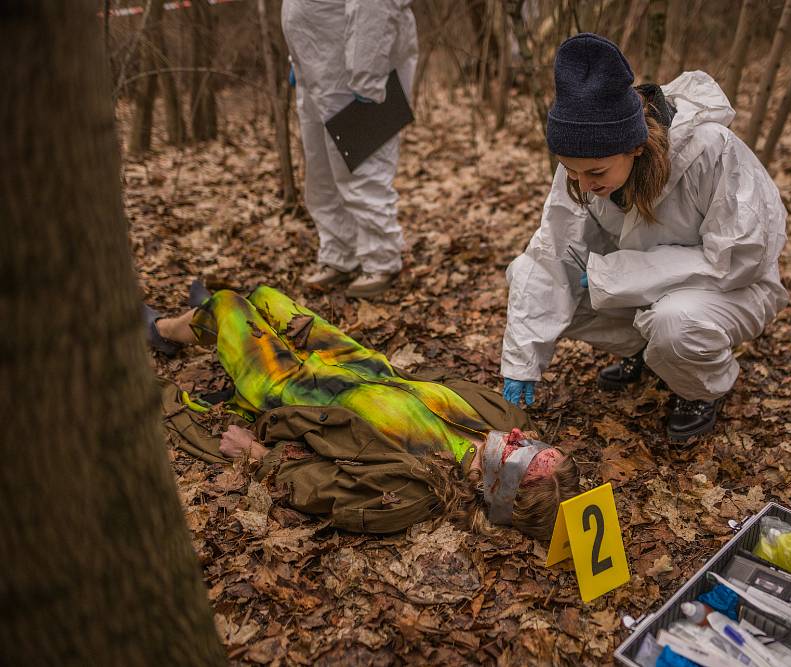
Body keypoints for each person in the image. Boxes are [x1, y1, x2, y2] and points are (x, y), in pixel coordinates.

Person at [501, 34, 788, 443]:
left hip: (733, 288)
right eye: (569, 170)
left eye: (595, 173)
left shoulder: (711, 151)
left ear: (635, 148)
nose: (582, 184)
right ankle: (645, 353)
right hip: (649, 288)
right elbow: (550, 256)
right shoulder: (584, 166)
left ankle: (701, 389)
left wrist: (619, 273)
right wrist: (521, 361)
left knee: (674, 322)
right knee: (528, 276)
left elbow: (740, 257)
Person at [146, 285, 578, 539]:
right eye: (539, 444)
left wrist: (255, 454)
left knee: (227, 303)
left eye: (522, 455)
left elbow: (321, 487)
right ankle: (206, 321)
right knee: (267, 298)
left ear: (500, 489)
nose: (522, 437)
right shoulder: (502, 428)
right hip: (361, 367)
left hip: (291, 389)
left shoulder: (414, 488)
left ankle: (163, 330)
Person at [281, 0, 418, 298]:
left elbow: (375, 6)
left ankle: (380, 259)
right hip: (317, 68)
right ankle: (339, 252)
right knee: (322, 173)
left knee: (363, 165)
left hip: (356, 69)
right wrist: (297, 60)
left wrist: (367, 75)